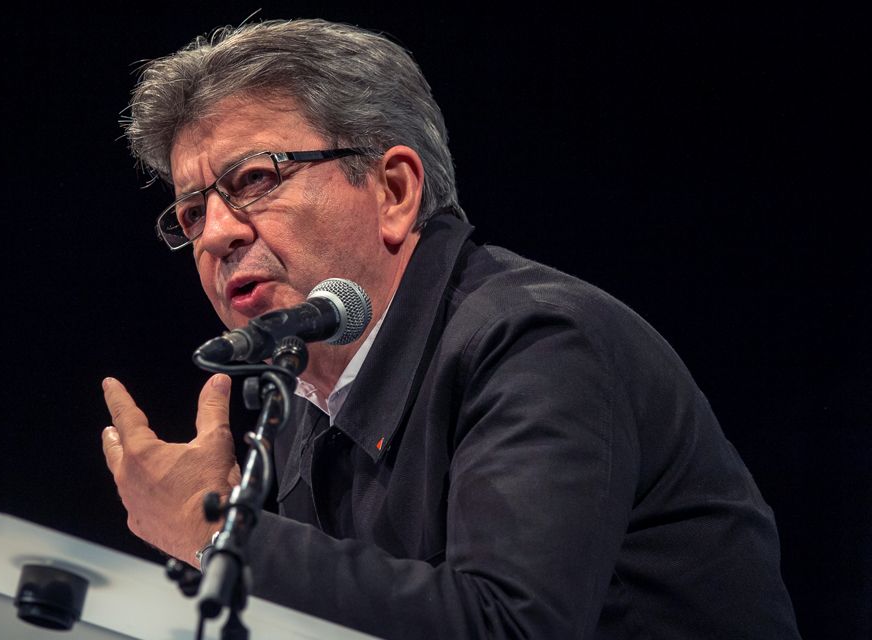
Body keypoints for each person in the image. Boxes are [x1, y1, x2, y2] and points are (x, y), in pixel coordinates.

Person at [99, 19, 799, 638]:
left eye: (254, 179)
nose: (215, 234)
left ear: (394, 190)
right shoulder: (302, 399)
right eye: (192, 212)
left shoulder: (540, 342)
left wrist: (218, 531)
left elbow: (508, 625)